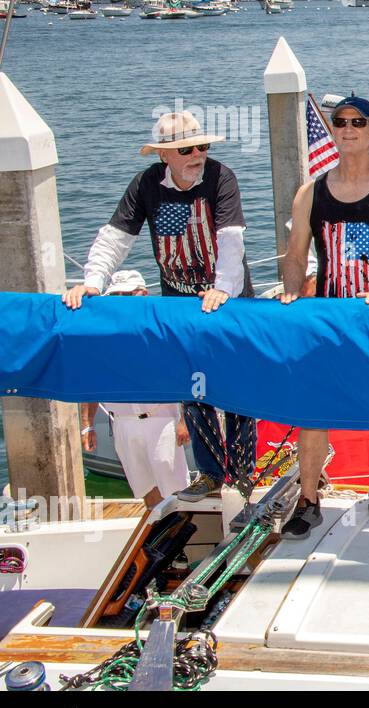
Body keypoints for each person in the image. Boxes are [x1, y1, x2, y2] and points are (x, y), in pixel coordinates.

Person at [62, 110, 256, 503]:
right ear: (165, 155)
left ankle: (243, 471)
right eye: (187, 149)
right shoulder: (147, 184)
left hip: (230, 301)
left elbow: (231, 239)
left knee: (237, 387)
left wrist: (222, 289)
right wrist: (93, 282)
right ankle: (211, 473)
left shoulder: (221, 178)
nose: (198, 154)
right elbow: (115, 237)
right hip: (180, 305)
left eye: (202, 146)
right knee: (193, 389)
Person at [279, 96, 369, 538]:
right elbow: (297, 254)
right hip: (328, 318)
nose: (348, 129)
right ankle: (308, 499)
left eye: (358, 122)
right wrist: (289, 291)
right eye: (340, 122)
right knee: (312, 408)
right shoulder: (312, 192)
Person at [79, 270, 191, 507]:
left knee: (175, 487)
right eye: (116, 295)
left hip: (161, 419)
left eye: (127, 294)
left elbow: (187, 376)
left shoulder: (163, 331)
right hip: (122, 422)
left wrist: (185, 419)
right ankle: (160, 536)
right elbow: (91, 383)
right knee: (143, 487)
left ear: (143, 294)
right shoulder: (102, 337)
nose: (121, 300)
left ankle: (181, 534)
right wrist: (86, 425)